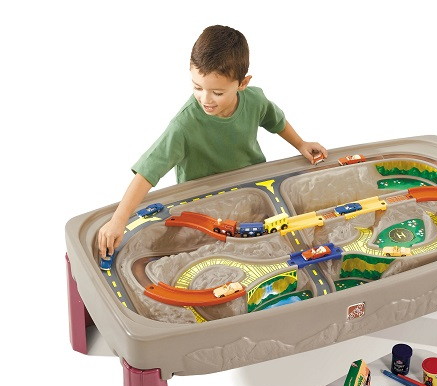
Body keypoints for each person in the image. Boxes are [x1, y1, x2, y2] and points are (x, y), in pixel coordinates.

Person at [97, 25, 327, 258]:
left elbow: (276, 121)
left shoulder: (255, 100)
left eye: (217, 93)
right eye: (197, 87)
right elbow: (147, 172)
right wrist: (118, 220)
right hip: (204, 203)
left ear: (242, 83)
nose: (205, 99)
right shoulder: (184, 125)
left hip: (252, 190)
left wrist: (300, 144)